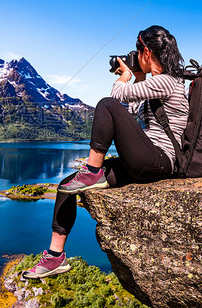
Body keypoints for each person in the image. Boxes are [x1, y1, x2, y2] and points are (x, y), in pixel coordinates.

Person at [23, 25, 189, 279]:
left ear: (145, 51)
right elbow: (129, 116)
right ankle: (56, 257)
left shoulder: (168, 81)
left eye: (137, 51)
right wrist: (139, 77)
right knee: (67, 185)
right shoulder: (156, 84)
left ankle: (92, 170)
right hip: (146, 160)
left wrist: (125, 77)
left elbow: (117, 97)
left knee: (106, 104)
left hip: (159, 161)